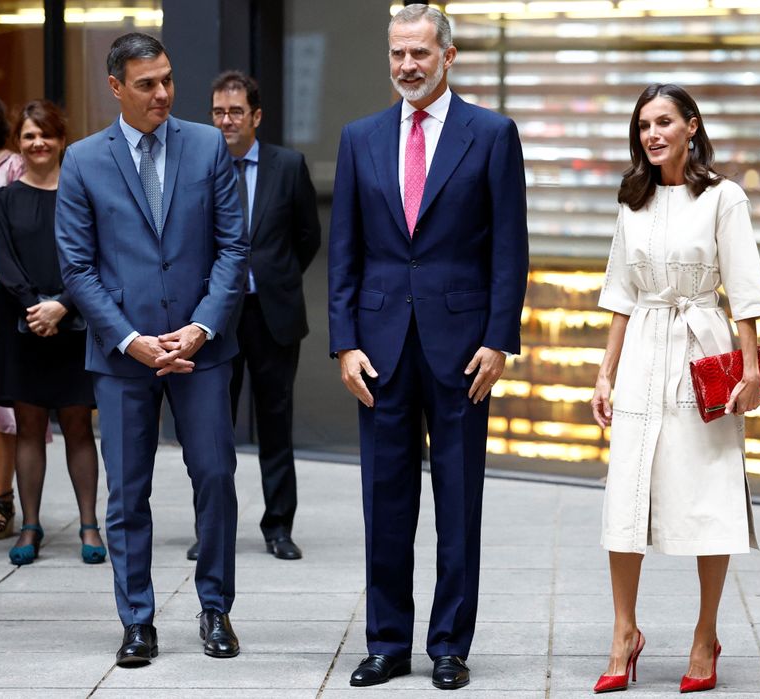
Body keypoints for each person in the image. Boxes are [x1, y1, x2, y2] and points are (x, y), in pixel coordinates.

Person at [328, 4, 528, 691]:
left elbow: (509, 248)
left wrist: (500, 339)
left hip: (463, 348)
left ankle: (449, 644)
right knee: (384, 501)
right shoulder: (361, 137)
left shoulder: (493, 135)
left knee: (458, 503)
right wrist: (345, 343)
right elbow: (344, 252)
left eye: (419, 53)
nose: (406, 66)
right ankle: (387, 642)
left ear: (449, 55)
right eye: (397, 55)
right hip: (379, 348)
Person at [54, 33, 248, 667]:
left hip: (201, 350)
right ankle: (137, 620)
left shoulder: (207, 146)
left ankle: (215, 607)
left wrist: (200, 327)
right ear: (116, 87)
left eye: (167, 79)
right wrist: (132, 340)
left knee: (216, 477)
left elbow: (232, 249)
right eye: (147, 84)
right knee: (127, 491)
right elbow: (78, 269)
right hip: (121, 357)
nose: (163, 93)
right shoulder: (83, 160)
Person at [589, 83, 760, 694]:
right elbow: (619, 294)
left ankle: (705, 634)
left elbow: (745, 292)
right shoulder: (632, 199)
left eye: (664, 121)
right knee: (627, 492)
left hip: (703, 351)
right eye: (644, 125)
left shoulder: (725, 198)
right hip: (642, 349)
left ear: (691, 126)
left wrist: (748, 371)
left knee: (708, 492)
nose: (653, 134)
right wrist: (605, 372)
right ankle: (623, 632)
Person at [185, 70, 320, 563]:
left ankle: (278, 527)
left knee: (276, 421)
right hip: (216, 317)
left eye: (235, 111)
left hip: (273, 315)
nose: (226, 121)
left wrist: (275, 278)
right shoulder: (198, 165)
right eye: (218, 111)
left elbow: (307, 237)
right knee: (211, 427)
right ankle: (211, 529)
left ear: (256, 116)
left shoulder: (288, 166)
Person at [0, 100, 105, 567]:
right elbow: (4, 257)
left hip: (75, 323)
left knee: (79, 427)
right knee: (30, 426)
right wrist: (37, 307)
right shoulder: (2, 200)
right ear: (19, 143)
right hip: (20, 325)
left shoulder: (83, 196)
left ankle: (89, 524)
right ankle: (31, 525)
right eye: (29, 136)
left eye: (47, 135)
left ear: (62, 141)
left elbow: (96, 257)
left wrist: (62, 305)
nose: (38, 143)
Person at [0, 88, 24, 540]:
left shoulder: (12, 165)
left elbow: (19, 231)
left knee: (2, 402)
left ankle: (2, 496)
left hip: (1, 297)